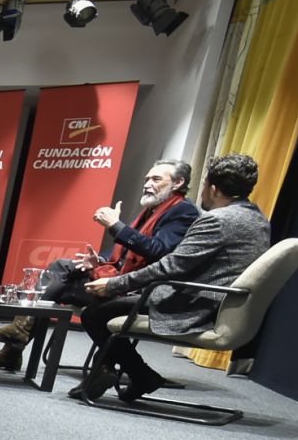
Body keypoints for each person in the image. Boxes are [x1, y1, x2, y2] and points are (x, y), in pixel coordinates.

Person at [0, 158, 202, 372]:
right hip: (121, 283)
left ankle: (14, 343)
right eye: (147, 179)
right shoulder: (152, 210)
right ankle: (16, 339)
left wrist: (116, 226)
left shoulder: (184, 211)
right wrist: (99, 261)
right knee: (62, 271)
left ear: (178, 182)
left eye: (156, 179)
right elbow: (125, 254)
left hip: (139, 291)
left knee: (59, 279)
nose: (147, 184)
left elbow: (159, 251)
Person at [74, 153, 272, 403]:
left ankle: (142, 374)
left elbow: (171, 266)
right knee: (108, 306)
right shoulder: (257, 218)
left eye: (203, 187)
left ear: (212, 188)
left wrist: (114, 284)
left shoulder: (217, 220)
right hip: (224, 302)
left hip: (198, 305)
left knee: (95, 313)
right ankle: (132, 375)